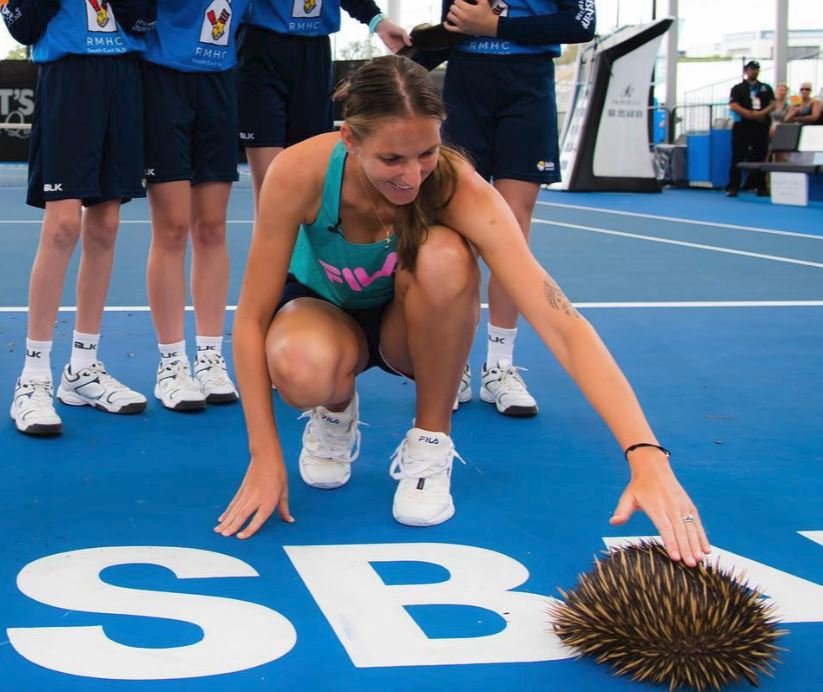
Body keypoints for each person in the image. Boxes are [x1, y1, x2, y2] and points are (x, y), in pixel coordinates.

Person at [215, 56, 710, 570]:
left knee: (445, 257)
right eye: (391, 160)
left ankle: (431, 439)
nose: (411, 176)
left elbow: (560, 321)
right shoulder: (298, 172)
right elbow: (251, 319)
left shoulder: (460, 187)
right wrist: (263, 455)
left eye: (426, 153)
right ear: (351, 141)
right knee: (299, 366)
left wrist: (645, 453)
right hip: (325, 314)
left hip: (412, 328)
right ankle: (336, 410)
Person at [3, 0, 155, 436]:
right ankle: (32, 378)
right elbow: (22, 27)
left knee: (105, 226)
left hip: (124, 78)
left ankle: (82, 370)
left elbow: (145, 19)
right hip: (69, 78)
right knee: (63, 226)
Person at [439, 0, 596, 418]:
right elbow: (453, 21)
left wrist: (497, 25)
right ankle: (453, 366)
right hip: (466, 86)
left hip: (527, 85)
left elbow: (581, 23)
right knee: (457, 233)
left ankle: (500, 365)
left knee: (512, 228)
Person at [140, 0, 251, 411]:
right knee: (172, 227)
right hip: (163, 79)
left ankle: (209, 356)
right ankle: (171, 362)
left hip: (219, 81)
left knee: (212, 227)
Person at [236, 0, 410, 213]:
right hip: (261, 45)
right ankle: (270, 245)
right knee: (270, 187)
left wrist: (378, 21)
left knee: (311, 182)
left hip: (314, 51)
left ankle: (307, 246)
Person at [726, 60, 775, 198]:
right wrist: (748, 114)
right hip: (742, 126)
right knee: (738, 155)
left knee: (760, 154)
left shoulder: (765, 87)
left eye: (757, 69)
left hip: (760, 126)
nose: (754, 71)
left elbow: (772, 103)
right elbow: (734, 105)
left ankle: (760, 186)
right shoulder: (738, 88)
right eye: (752, 69)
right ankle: (733, 186)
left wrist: (761, 113)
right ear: (746, 71)